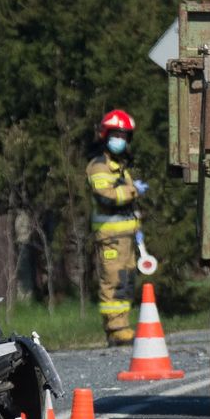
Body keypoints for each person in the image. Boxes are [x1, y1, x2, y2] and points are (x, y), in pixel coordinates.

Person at [87, 109, 148, 347]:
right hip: (110, 237)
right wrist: (133, 191)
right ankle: (115, 328)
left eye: (124, 135)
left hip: (126, 236)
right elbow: (107, 197)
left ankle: (122, 326)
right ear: (106, 135)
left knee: (125, 281)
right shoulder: (99, 166)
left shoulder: (119, 166)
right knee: (112, 281)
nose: (120, 140)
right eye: (117, 134)